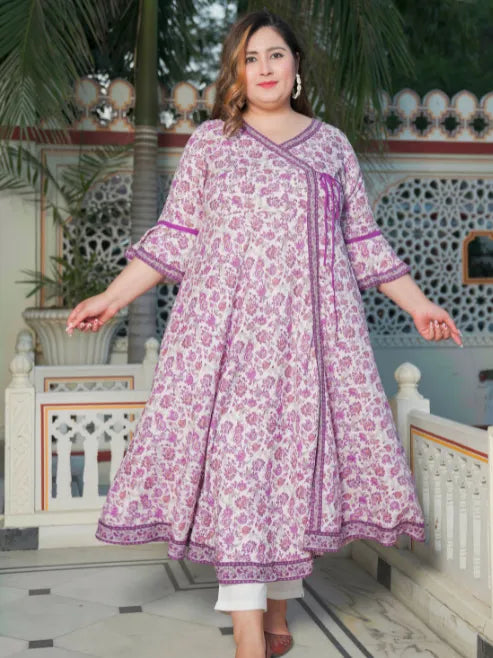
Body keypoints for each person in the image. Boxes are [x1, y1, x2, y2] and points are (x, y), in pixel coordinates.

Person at [66, 9, 462, 658]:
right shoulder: (211, 145)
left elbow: (362, 240)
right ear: (235, 71)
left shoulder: (330, 146)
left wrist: (419, 306)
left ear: (296, 65)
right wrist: (111, 298)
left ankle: (277, 606)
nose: (264, 68)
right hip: (226, 342)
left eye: (275, 54)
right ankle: (249, 638)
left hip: (311, 341)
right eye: (250, 59)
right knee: (241, 470)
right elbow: (175, 236)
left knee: (290, 470)